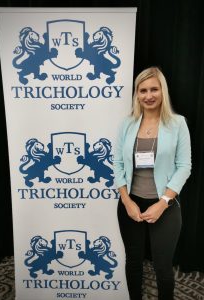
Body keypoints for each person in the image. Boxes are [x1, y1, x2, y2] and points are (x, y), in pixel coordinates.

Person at [113, 67, 191, 300]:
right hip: (130, 203)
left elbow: (184, 166)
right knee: (133, 261)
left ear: (162, 91)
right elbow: (117, 162)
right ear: (137, 94)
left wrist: (163, 202)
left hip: (165, 204)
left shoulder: (178, 124)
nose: (149, 95)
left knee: (163, 266)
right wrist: (126, 200)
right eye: (143, 90)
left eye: (154, 89)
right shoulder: (127, 124)